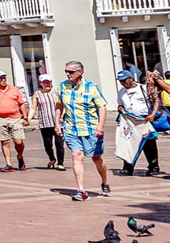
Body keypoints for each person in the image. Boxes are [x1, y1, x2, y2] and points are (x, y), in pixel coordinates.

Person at [57, 60, 110, 201]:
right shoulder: (62, 87)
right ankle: (81, 190)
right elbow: (59, 105)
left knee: (96, 158)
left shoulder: (91, 87)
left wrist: (100, 126)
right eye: (66, 72)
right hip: (71, 129)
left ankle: (105, 182)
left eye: (71, 72)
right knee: (77, 155)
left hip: (90, 128)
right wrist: (57, 123)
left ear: (80, 72)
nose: (68, 74)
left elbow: (102, 107)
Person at [114, 66, 159, 176]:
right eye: (121, 81)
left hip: (144, 119)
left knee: (149, 144)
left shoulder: (143, 88)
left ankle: (153, 167)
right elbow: (120, 104)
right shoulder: (121, 92)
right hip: (130, 120)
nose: (123, 83)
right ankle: (128, 168)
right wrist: (120, 108)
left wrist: (152, 114)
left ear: (130, 78)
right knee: (129, 143)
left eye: (124, 80)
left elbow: (156, 100)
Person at [0, 70, 29, 171]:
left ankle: (20, 156)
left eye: (4, 77)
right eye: (1, 78)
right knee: (5, 142)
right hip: (0, 118)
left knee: (18, 142)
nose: (3, 79)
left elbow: (21, 104)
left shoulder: (13, 90)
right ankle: (9, 164)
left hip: (15, 117)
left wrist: (25, 118)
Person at [31, 73, 63, 169]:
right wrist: (28, 119)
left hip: (58, 123)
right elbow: (33, 108)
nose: (47, 84)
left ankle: (60, 163)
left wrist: (62, 115)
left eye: (48, 82)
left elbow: (63, 105)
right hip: (45, 123)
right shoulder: (37, 94)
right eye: (45, 82)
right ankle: (52, 158)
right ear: (40, 83)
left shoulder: (57, 92)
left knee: (59, 143)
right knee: (48, 145)